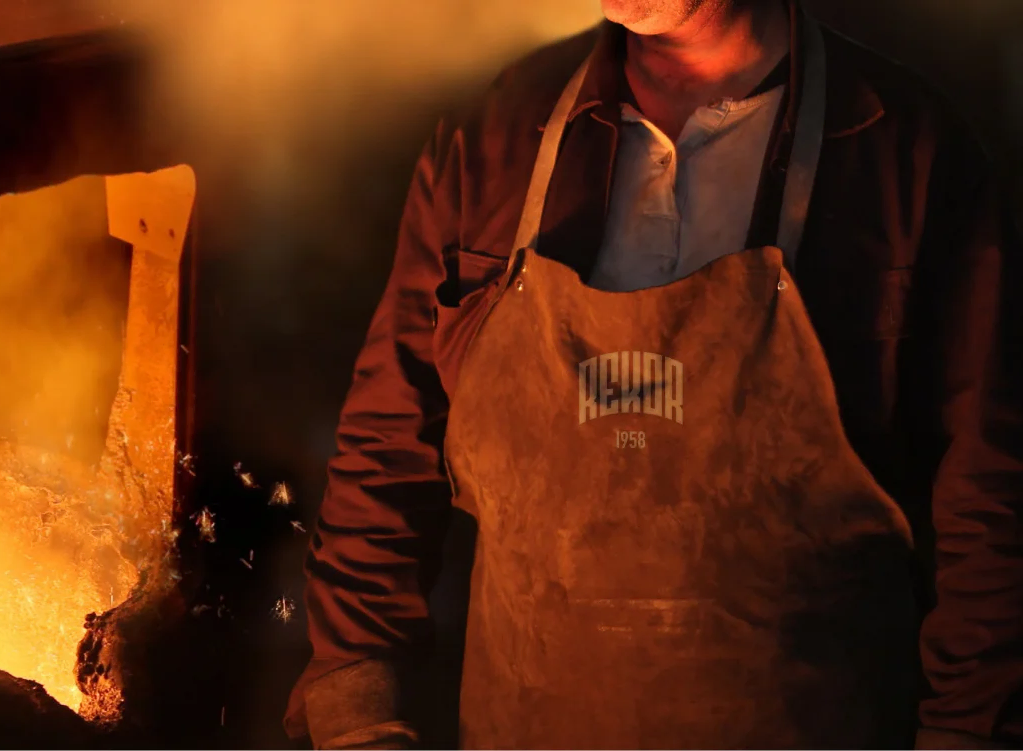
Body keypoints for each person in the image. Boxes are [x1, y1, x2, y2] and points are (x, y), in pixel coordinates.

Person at [289, 0, 1022, 747]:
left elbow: (989, 496)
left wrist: (972, 731)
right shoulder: (496, 139)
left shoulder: (905, 155)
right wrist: (358, 710)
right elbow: (388, 446)